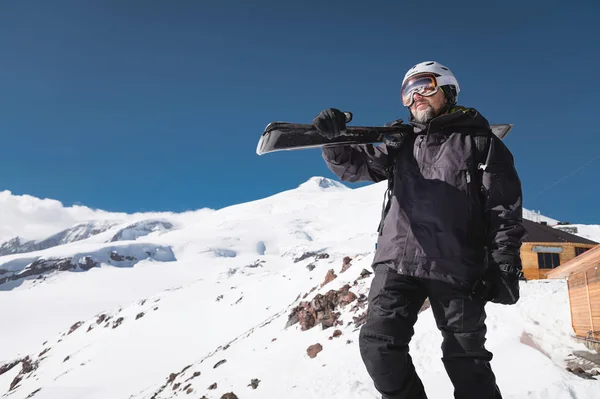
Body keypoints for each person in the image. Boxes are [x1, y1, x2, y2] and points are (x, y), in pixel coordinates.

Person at [311, 61, 525, 399]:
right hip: (398, 259)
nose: (415, 97)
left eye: (424, 86)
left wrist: (504, 261)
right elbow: (356, 167)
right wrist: (335, 141)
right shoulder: (399, 142)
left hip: (457, 263)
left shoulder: (482, 144)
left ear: (448, 90)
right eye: (407, 92)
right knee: (377, 346)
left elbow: (502, 208)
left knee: (467, 359)